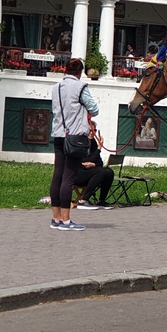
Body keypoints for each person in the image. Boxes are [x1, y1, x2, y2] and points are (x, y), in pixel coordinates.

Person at [50, 57, 99, 230]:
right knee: (69, 177)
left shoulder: (56, 88)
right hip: (75, 137)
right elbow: (94, 108)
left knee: (57, 175)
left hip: (58, 134)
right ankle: (65, 220)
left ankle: (55, 218)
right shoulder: (80, 87)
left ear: (65, 70)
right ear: (80, 72)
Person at [74, 133, 115, 209]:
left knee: (109, 172)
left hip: (90, 173)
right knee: (100, 172)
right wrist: (99, 149)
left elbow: (99, 163)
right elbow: (84, 162)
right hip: (77, 174)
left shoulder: (93, 143)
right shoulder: (79, 143)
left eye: (94, 130)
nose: (92, 132)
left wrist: (94, 164)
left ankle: (102, 200)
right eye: (89, 130)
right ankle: (83, 200)